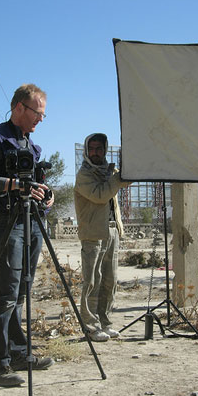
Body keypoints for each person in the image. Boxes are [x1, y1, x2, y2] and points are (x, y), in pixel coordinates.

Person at [0, 84, 54, 387]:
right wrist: (13, 185)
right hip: (7, 222)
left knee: (21, 292)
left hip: (32, 221)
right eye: (37, 113)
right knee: (5, 294)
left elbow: (36, 184)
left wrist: (46, 196)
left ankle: (19, 352)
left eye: (43, 115)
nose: (41, 120)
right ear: (19, 107)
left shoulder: (31, 147)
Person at [74, 133, 130, 342]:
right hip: (92, 234)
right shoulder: (84, 175)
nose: (96, 152)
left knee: (110, 279)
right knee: (92, 281)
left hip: (112, 230)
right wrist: (117, 179)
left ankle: (105, 322)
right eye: (92, 148)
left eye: (99, 148)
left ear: (105, 150)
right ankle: (90, 327)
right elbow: (100, 195)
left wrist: (130, 168)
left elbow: (123, 182)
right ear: (87, 151)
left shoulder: (109, 171)